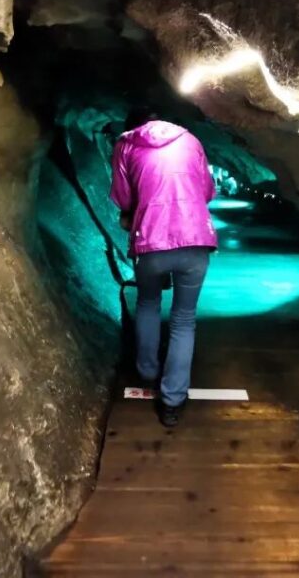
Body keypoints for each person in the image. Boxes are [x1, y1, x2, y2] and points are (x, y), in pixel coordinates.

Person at [110, 107, 217, 427]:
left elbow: (122, 196)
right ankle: (173, 401)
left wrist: (136, 210)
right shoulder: (191, 141)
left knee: (148, 303)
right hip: (195, 241)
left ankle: (147, 372)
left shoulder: (126, 145)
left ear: (136, 125)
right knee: (184, 319)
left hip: (151, 241)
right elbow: (207, 190)